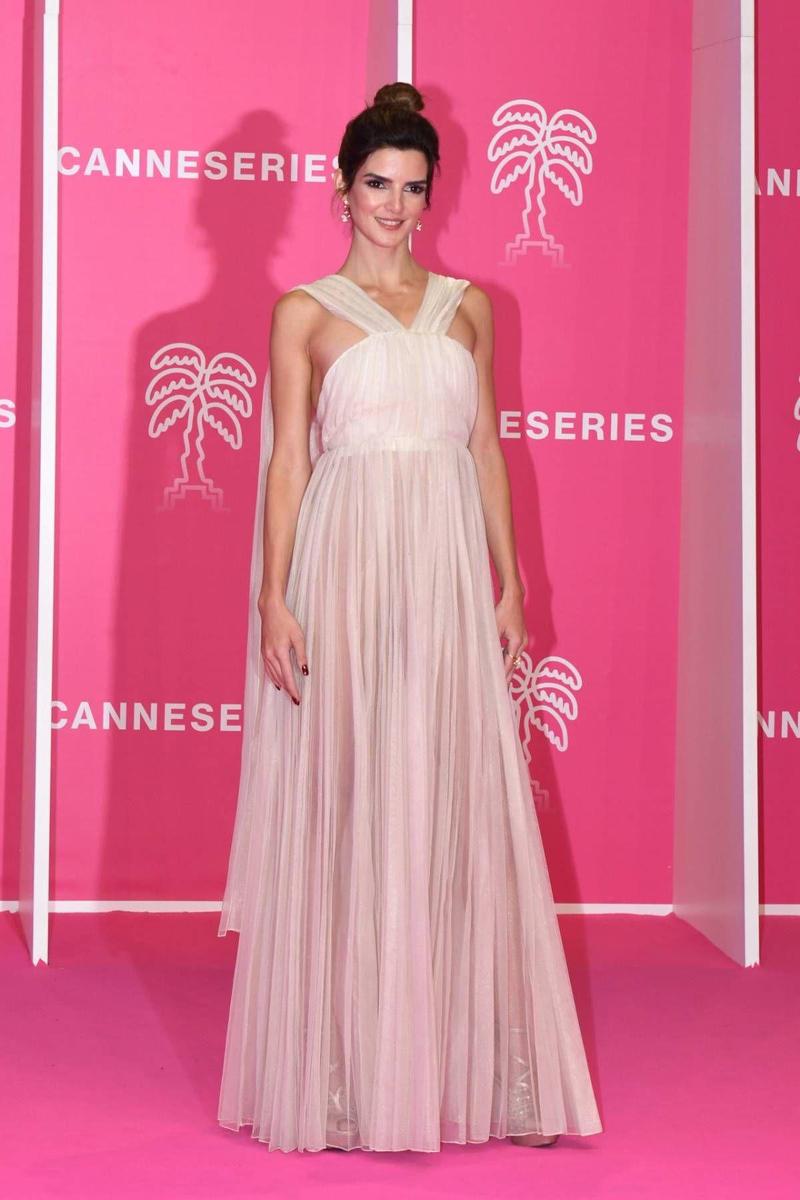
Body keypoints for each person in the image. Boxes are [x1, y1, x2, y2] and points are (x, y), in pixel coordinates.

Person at [216, 81, 602, 1154]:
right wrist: (273, 595)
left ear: (432, 196)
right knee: (349, 794)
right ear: (339, 189)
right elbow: (290, 462)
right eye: (376, 183)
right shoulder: (301, 312)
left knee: (450, 794)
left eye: (412, 187)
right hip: (342, 566)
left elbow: (481, 450)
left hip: (439, 562)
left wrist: (511, 579)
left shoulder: (467, 305)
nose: (393, 204)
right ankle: (339, 1079)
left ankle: (484, 1072)